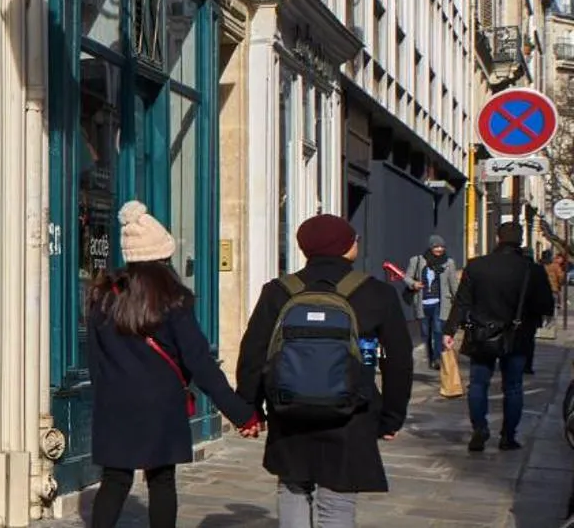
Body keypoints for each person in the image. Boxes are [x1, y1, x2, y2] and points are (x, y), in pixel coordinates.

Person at [86, 202, 260, 528]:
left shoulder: (104, 296)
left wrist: (107, 393)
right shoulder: (172, 298)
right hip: (160, 403)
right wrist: (241, 412)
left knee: (115, 480)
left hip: (114, 403)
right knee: (162, 481)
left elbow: (95, 361)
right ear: (162, 257)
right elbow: (199, 362)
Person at [236, 213, 411, 528]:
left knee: (292, 489)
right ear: (345, 246)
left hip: (288, 410)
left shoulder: (278, 290)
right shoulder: (376, 293)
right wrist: (391, 417)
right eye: (353, 238)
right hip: (352, 413)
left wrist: (250, 408)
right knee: (336, 502)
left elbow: (253, 354)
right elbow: (398, 361)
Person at [447, 221, 553, 451]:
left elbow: (462, 301)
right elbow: (546, 304)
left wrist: (449, 330)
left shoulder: (477, 266)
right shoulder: (531, 270)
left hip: (482, 334)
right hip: (517, 335)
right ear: (521, 240)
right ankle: (508, 436)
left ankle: (479, 428)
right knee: (513, 386)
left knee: (478, 384)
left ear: (497, 238)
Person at [403, 235, 461, 370]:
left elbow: (453, 283)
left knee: (438, 330)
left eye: (441, 247)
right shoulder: (417, 261)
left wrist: (458, 300)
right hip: (422, 302)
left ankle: (436, 359)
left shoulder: (448, 263)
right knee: (425, 333)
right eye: (436, 246)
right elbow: (407, 278)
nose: (439, 249)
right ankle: (430, 356)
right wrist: (414, 284)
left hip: (440, 303)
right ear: (431, 247)